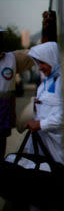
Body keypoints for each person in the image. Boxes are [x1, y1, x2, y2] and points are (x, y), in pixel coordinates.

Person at [8, 41, 64, 211]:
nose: (40, 67)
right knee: (37, 183)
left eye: (43, 62)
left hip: (58, 145)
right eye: (37, 63)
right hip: (41, 143)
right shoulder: (47, 80)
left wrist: (42, 124)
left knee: (58, 185)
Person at [0, 27, 34, 159]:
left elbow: (40, 53)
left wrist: (47, 29)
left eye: (1, 36)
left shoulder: (12, 58)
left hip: (3, 117)